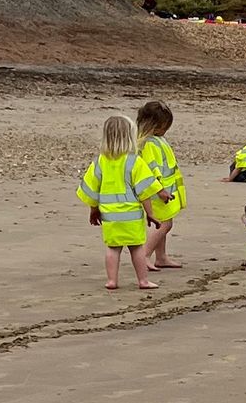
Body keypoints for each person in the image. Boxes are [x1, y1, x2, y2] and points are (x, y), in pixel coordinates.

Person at [77, 113, 158, 291]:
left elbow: (91, 189)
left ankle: (112, 280)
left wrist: (93, 210)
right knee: (136, 248)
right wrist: (150, 214)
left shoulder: (100, 162)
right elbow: (145, 190)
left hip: (110, 216)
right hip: (131, 216)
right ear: (130, 137)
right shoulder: (134, 161)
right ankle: (143, 281)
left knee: (113, 248)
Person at [136, 100, 186, 270]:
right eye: (164, 126)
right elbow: (152, 169)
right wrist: (160, 190)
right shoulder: (149, 143)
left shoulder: (157, 139)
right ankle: (144, 254)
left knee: (163, 221)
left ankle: (161, 256)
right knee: (165, 224)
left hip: (165, 189)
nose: (165, 130)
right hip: (158, 191)